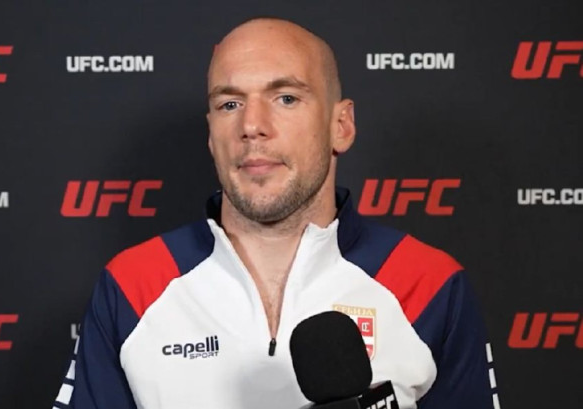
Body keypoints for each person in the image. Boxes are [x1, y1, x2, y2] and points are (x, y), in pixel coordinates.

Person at [54, 17, 496, 409]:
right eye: (229, 104)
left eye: (285, 98)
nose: (251, 126)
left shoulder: (429, 285)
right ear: (211, 135)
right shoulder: (133, 286)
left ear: (340, 126)